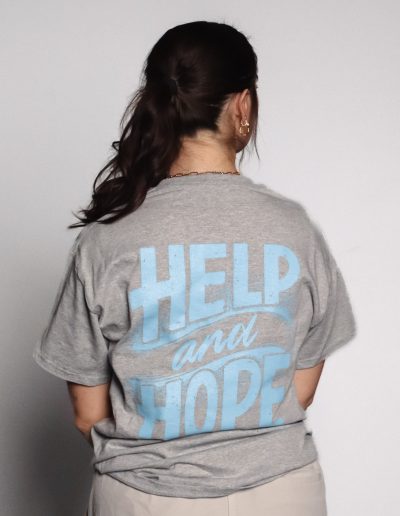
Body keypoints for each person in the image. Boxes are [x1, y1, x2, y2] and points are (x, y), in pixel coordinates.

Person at [32, 20, 357, 516]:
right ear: (243, 105)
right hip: (281, 494)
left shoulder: (105, 241)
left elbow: (87, 413)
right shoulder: (296, 231)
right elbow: (301, 390)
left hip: (144, 497)